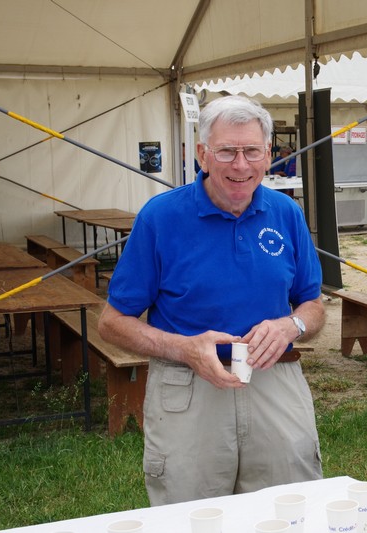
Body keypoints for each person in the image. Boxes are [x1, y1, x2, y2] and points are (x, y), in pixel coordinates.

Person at [98, 95, 325, 505]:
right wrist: (184, 347)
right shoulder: (161, 217)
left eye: (252, 151)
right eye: (226, 151)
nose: (241, 165)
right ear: (202, 154)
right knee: (190, 515)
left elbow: (313, 305)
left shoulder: (286, 213)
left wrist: (292, 325)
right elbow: (112, 322)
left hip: (275, 382)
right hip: (187, 387)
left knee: (290, 511)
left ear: (268, 154)